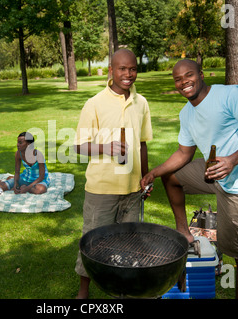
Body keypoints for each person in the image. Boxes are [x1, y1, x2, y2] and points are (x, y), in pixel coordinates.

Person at [140, 59, 238, 299]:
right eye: (178, 79)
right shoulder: (187, 113)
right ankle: (184, 232)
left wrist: (232, 160)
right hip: (215, 174)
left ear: (201, 74)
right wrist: (154, 172)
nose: (184, 82)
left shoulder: (230, 95)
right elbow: (184, 153)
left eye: (189, 75)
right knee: (170, 176)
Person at [73, 48, 153, 299]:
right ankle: (83, 291)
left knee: (129, 244)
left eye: (133, 69)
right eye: (122, 68)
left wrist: (146, 178)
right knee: (93, 242)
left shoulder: (141, 103)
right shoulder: (94, 103)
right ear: (111, 70)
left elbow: (142, 143)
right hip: (102, 189)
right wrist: (105, 148)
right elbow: (78, 145)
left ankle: (123, 290)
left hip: (131, 189)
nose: (128, 74)